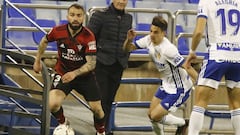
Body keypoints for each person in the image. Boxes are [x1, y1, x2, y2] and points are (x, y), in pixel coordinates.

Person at [33, 3, 106, 135]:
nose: (75, 18)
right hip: (62, 72)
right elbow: (44, 41)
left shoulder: (88, 36)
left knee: (97, 109)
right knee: (52, 104)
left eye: (79, 15)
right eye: (72, 15)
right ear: (67, 16)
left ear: (83, 17)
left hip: (84, 76)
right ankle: (63, 123)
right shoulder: (57, 31)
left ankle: (101, 132)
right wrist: (37, 60)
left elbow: (91, 64)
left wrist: (75, 73)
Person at [123, 16, 198, 135]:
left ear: (163, 33)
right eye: (151, 31)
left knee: (155, 116)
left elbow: (186, 66)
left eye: (156, 32)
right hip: (166, 84)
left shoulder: (169, 49)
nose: (152, 34)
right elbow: (127, 49)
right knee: (151, 115)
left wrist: (200, 81)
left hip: (179, 88)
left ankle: (183, 123)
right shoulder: (149, 40)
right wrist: (129, 40)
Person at [184, 0, 240, 135]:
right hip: (238, 55)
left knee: (200, 103)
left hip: (217, 54)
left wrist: (192, 52)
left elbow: (198, 32)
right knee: (236, 104)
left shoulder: (206, 1)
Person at [87, 0, 132, 134]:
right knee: (102, 100)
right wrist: (92, 60)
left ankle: (103, 130)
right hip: (101, 64)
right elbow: (88, 38)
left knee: (109, 100)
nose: (121, 1)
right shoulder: (99, 15)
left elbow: (127, 40)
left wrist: (125, 58)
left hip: (118, 65)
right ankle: (101, 131)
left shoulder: (129, 18)